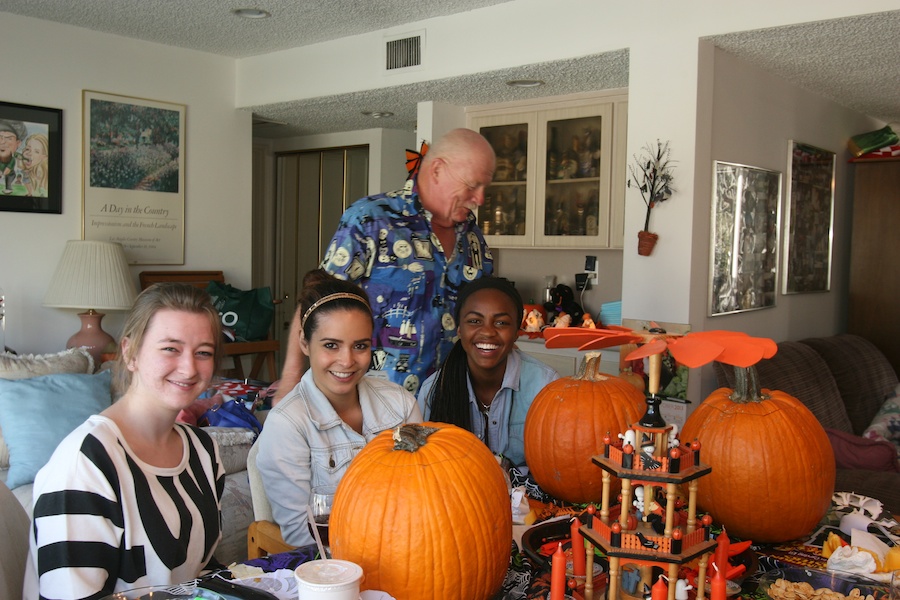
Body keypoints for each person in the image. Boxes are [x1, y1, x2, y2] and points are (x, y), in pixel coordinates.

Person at [25, 283, 226, 600]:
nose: (189, 368)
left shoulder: (204, 451)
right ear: (130, 352)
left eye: (203, 352)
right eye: (170, 348)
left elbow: (201, 574)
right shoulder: (85, 464)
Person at [275, 128, 496, 402]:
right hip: (374, 406)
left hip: (450, 403)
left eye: (486, 187)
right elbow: (316, 301)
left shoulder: (473, 237)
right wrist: (290, 379)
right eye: (473, 185)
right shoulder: (371, 220)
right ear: (438, 170)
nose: (481, 199)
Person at [256, 269, 423, 547]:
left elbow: (423, 490)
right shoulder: (288, 424)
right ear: (304, 343)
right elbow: (302, 534)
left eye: (360, 346)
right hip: (334, 568)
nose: (347, 361)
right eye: (331, 345)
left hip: (408, 550)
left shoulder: (400, 404)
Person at [417, 277, 559, 468]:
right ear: (459, 328)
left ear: (517, 331)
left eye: (501, 323)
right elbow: (423, 467)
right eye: (475, 321)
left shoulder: (545, 387)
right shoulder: (433, 391)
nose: (488, 332)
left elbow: (558, 466)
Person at [0, 119, 26, 195]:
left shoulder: (12, 160)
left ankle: (8, 189)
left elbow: (8, 170)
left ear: (18, 144)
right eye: (0, 137)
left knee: (8, 180)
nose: (2, 142)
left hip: (9, 173)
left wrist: (2, 174)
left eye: (9, 138)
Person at [22, 133, 49, 197]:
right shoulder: (27, 171)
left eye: (36, 151)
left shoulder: (42, 173)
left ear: (44, 157)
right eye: (27, 149)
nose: (29, 153)